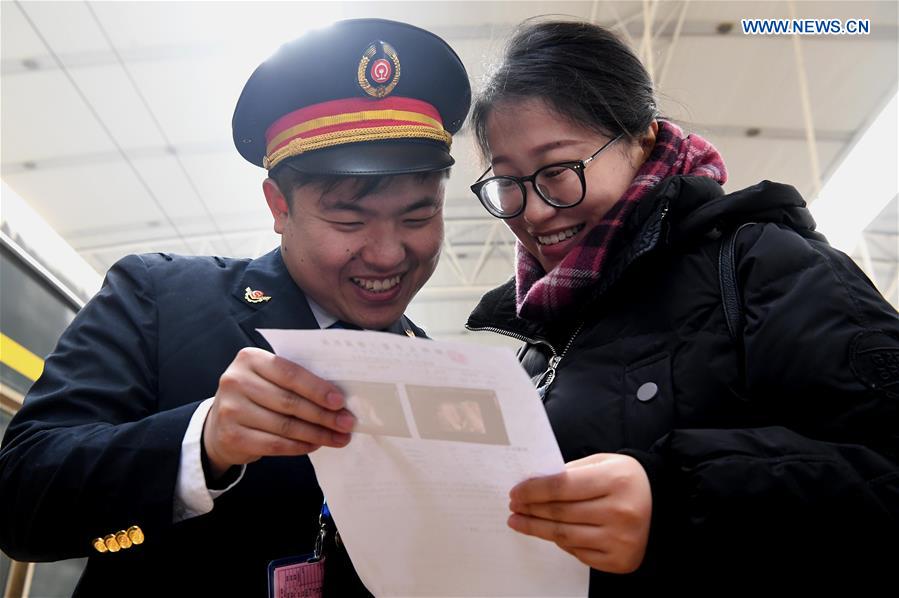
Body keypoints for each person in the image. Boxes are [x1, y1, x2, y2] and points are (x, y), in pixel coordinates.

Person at [0, 18, 469, 597]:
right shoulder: (159, 299)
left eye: (420, 215)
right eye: (349, 219)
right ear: (278, 206)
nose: (388, 253)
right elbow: (18, 501)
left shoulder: (440, 376)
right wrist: (203, 441)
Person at [465, 19, 899, 589]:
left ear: (642, 139)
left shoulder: (762, 266)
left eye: (559, 170)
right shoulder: (541, 345)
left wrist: (674, 499)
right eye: (508, 183)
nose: (537, 211)